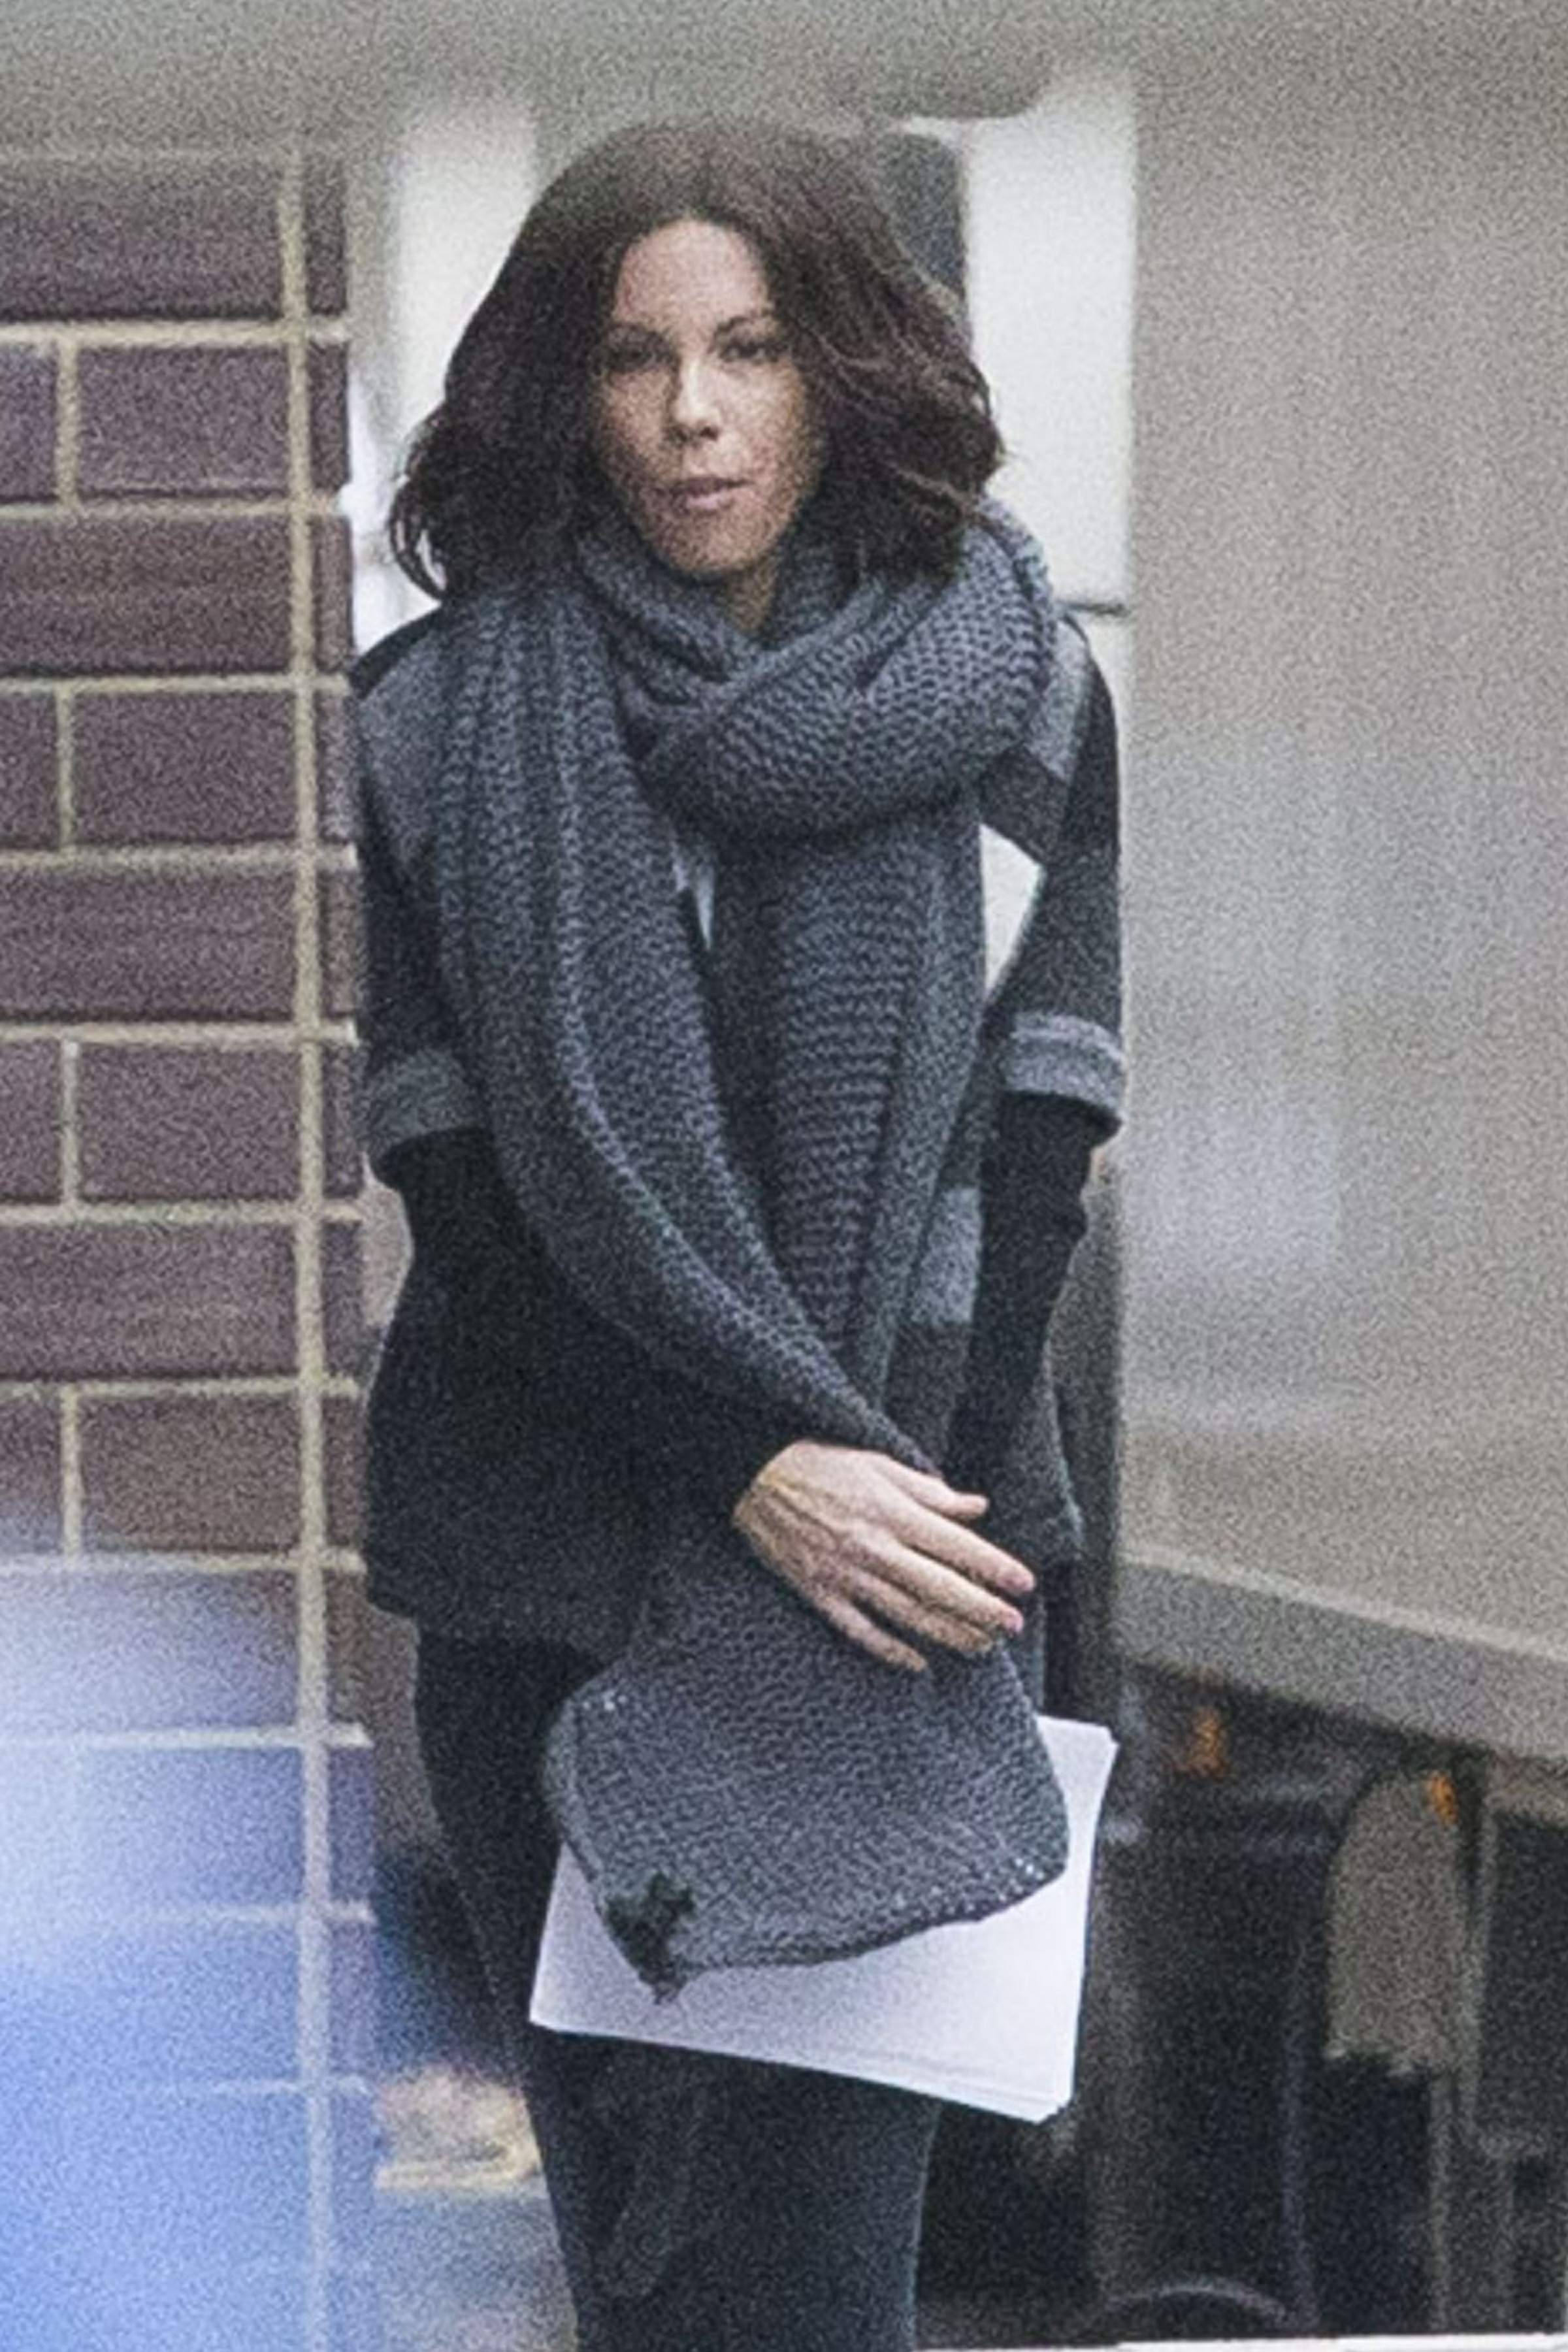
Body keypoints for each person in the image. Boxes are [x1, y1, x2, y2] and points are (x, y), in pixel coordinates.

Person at [355, 119, 1122, 2352]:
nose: (694, 414)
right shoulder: (432, 728)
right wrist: (752, 1467)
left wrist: (886, 1513)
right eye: (636, 359)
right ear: (565, 391)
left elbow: (1041, 1158)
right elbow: (463, 1204)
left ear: (845, 368)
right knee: (645, 2280)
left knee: (811, 2281)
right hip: (556, 1586)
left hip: (907, 1591)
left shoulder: (1021, 701)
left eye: (753, 349)